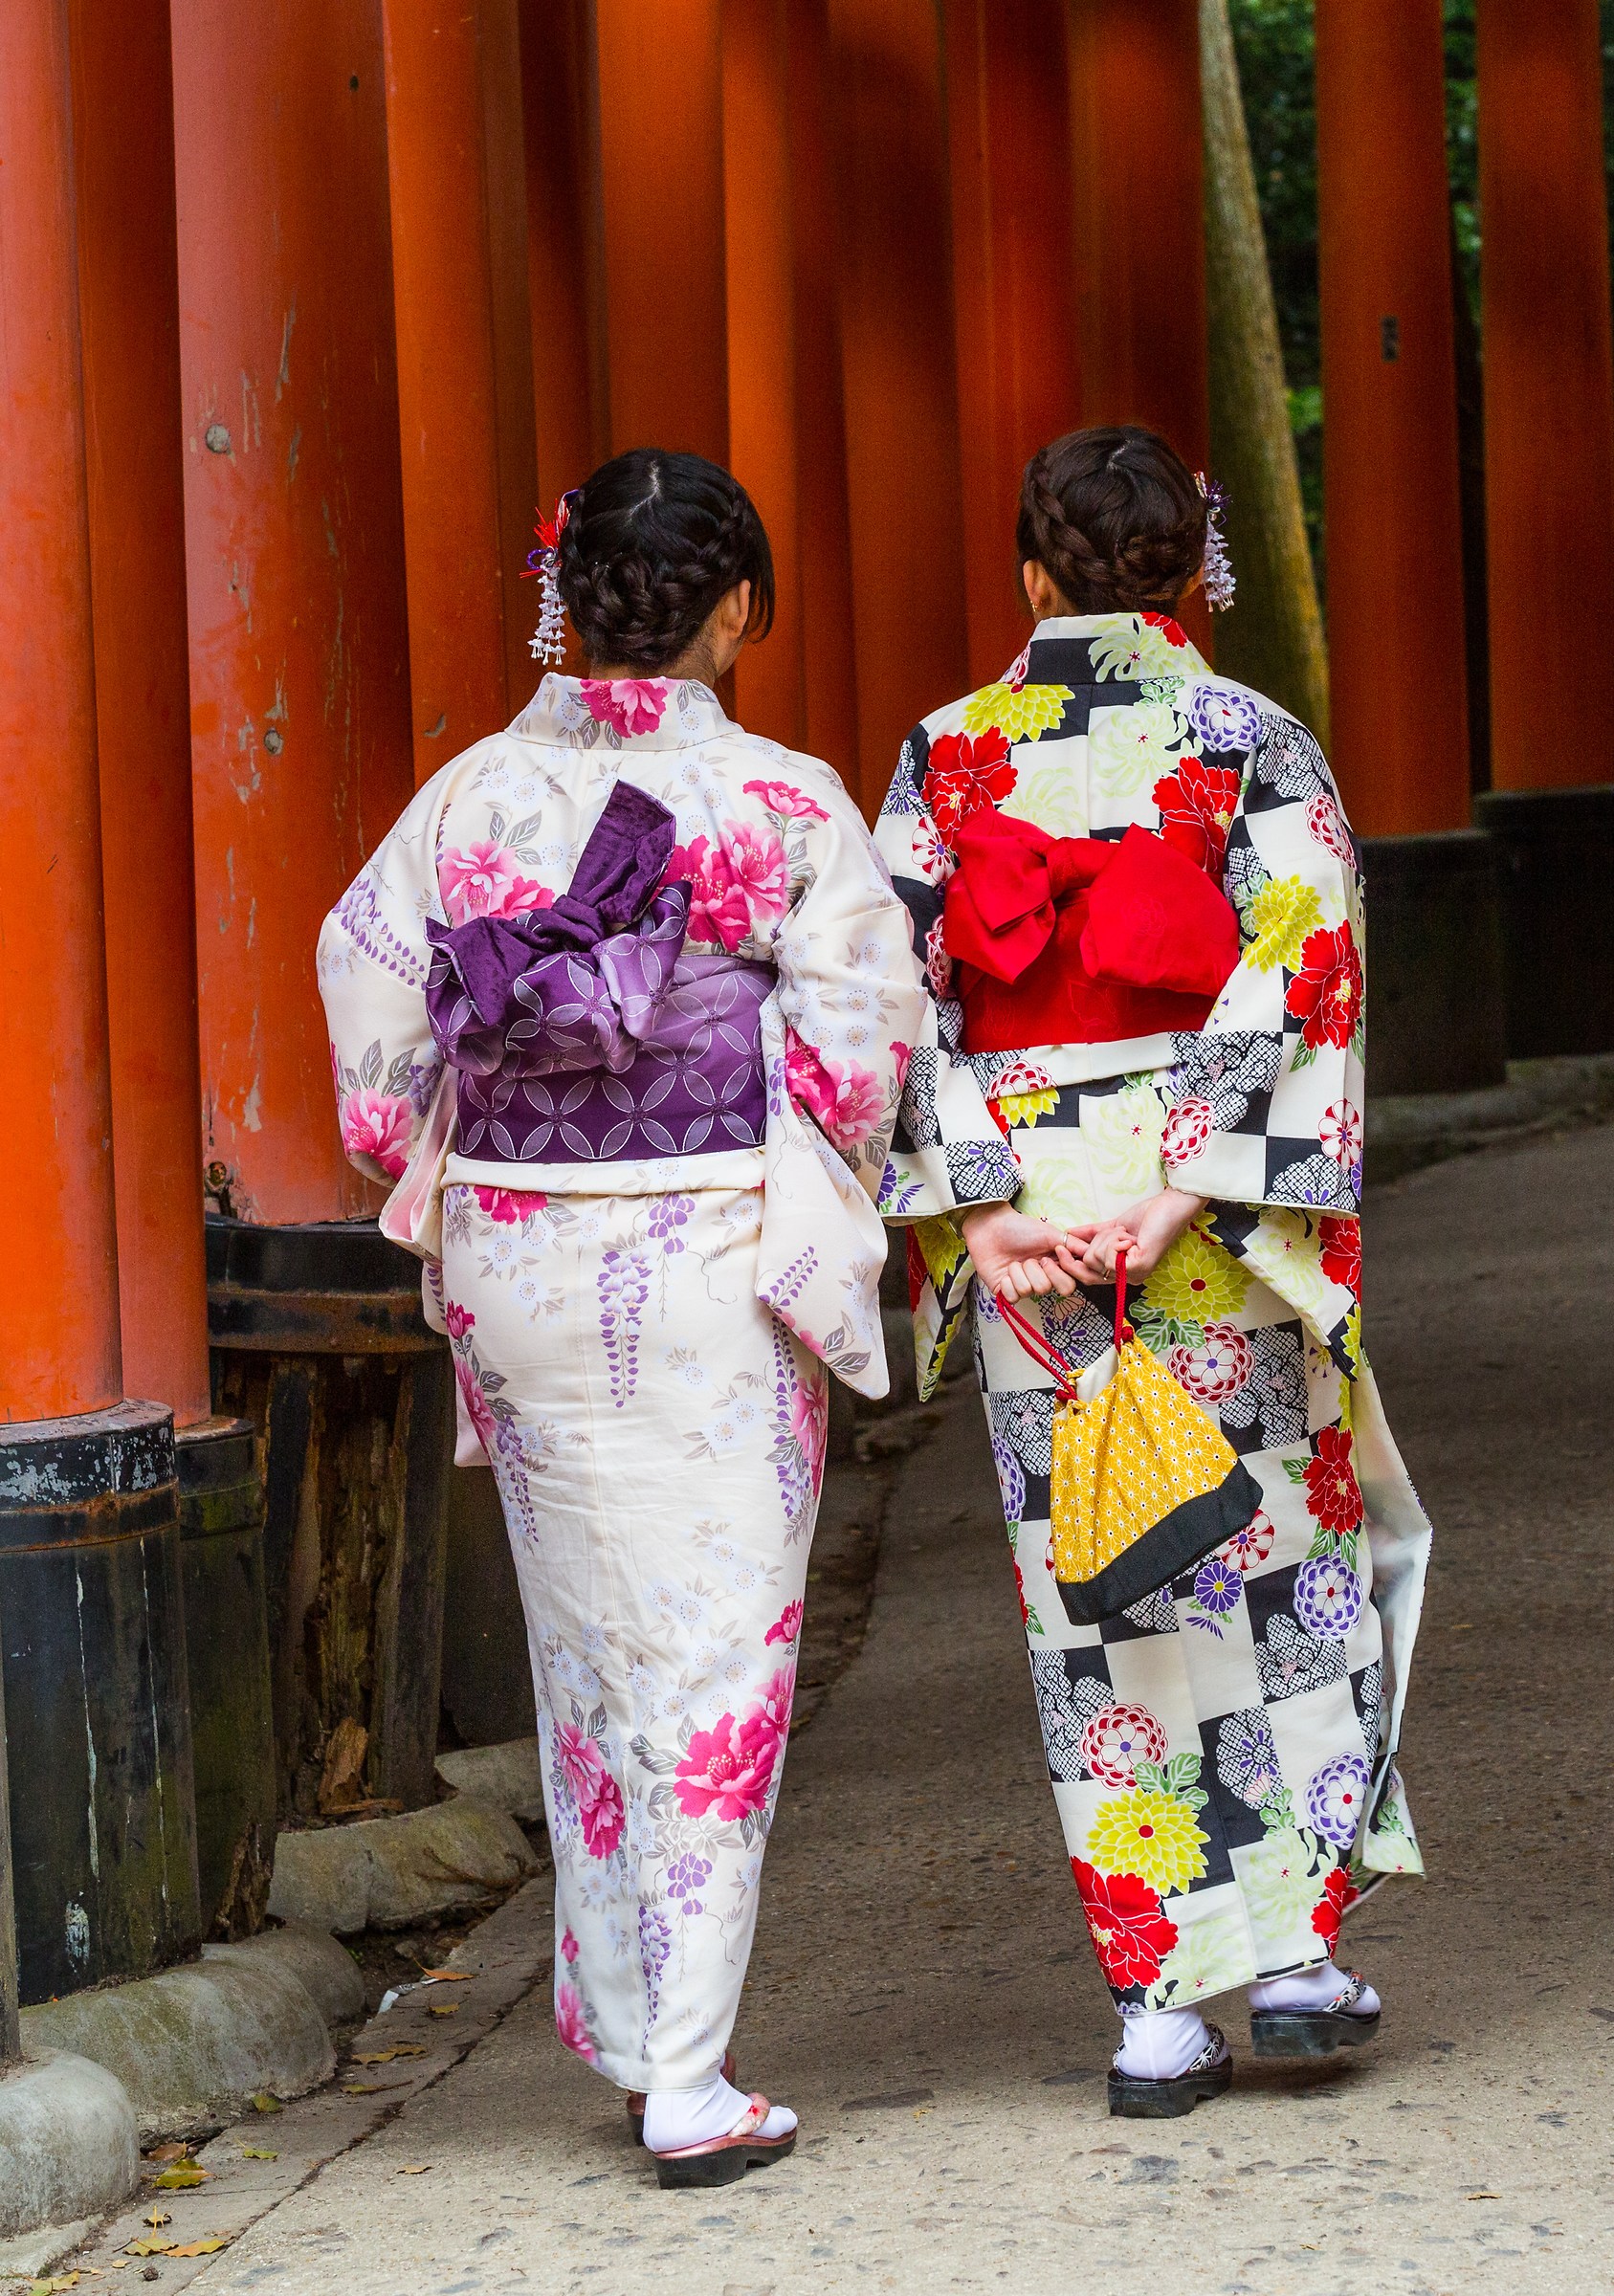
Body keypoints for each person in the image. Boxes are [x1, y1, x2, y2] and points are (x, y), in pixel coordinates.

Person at [320, 450, 926, 2184]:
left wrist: (475, 1116)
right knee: (719, 1652)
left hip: (521, 1256)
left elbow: (374, 1038)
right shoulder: (783, 802)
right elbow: (858, 1058)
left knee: (588, 1648)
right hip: (710, 1256)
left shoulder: (464, 802)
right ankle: (686, 2070)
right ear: (736, 610)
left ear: (563, 599)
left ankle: (630, 2015)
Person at [874, 425, 1430, 2117]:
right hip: (1208, 1213)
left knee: (1100, 1592)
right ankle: (1296, 1958)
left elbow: (887, 991)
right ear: (1200, 568)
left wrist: (977, 1210)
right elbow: (1305, 961)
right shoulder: (1250, 737)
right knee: (1276, 1561)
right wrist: (1191, 1185)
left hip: (1034, 1207)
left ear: (1029, 570)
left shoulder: (946, 754)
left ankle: (1154, 2013)